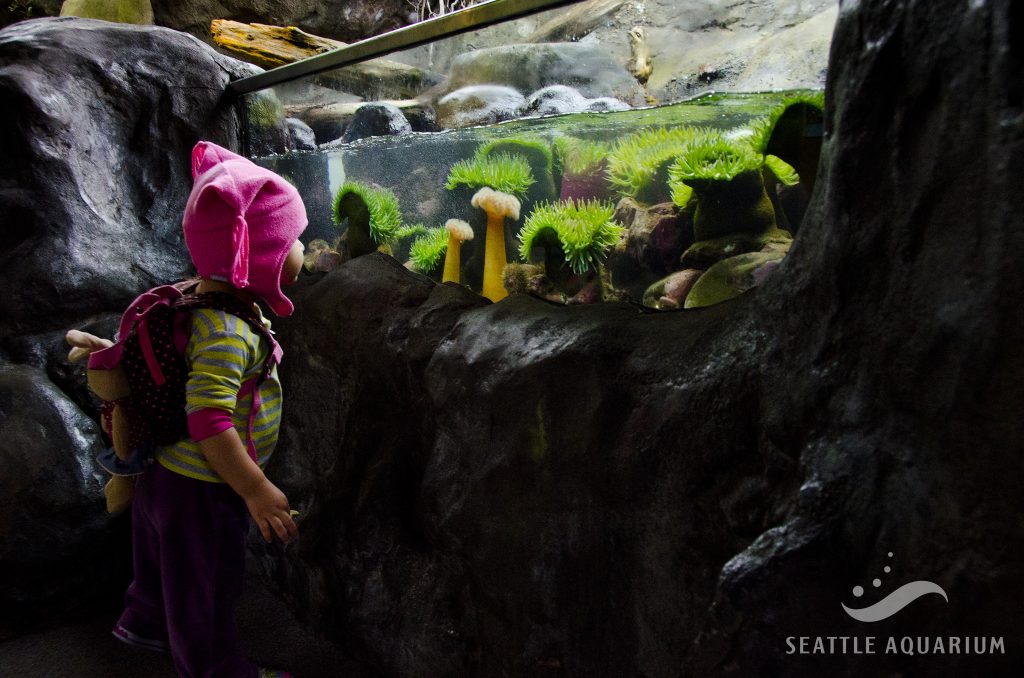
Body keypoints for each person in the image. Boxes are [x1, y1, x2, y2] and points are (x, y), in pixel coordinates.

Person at [112, 140, 306, 678]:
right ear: (256, 252)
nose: (302, 247)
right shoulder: (226, 331)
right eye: (293, 238)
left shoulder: (202, 298)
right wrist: (254, 489)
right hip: (201, 485)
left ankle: (147, 622)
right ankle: (214, 667)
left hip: (165, 475)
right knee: (207, 585)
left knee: (165, 570)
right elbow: (209, 419)